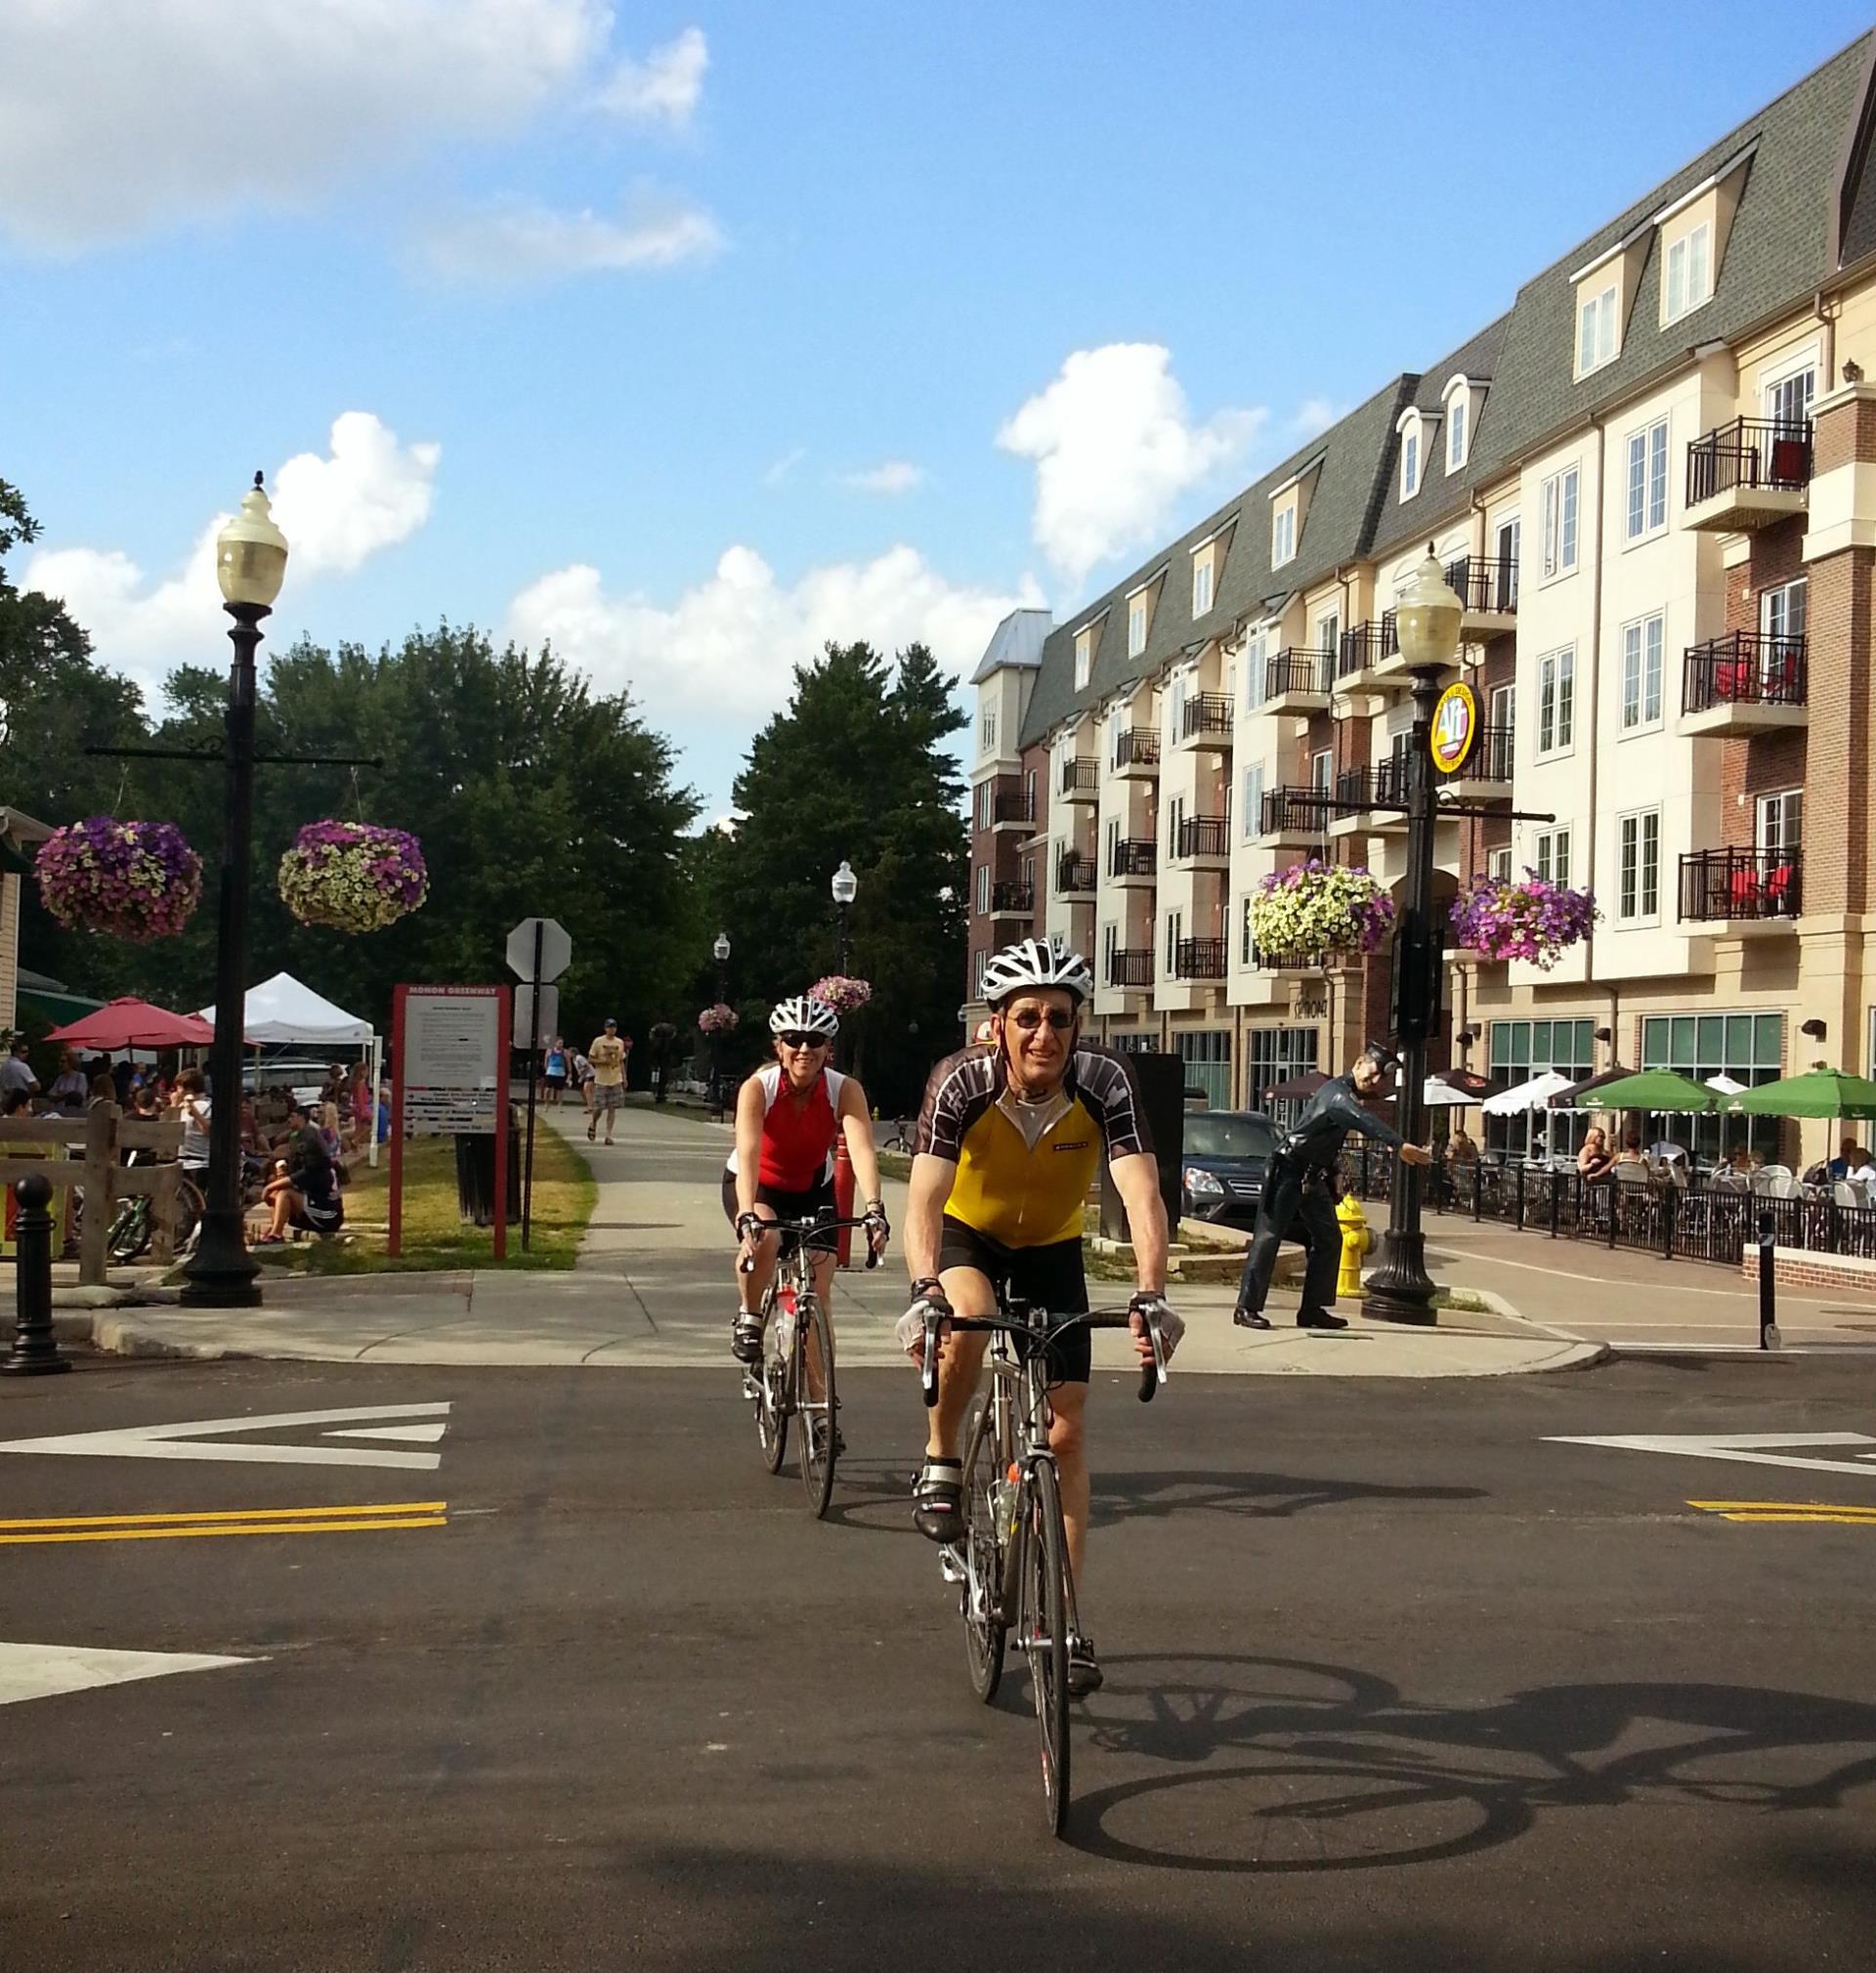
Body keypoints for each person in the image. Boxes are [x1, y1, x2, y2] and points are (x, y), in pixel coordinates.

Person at [895, 937, 1182, 1699]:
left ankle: (1066, 1619)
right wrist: (925, 1284)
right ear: (998, 1024)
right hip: (969, 1236)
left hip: (1052, 1248)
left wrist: (1151, 1291)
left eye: (1059, 1017)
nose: (1043, 1033)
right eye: (1027, 1017)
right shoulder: (959, 1082)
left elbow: (1142, 1193)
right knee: (969, 1313)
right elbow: (923, 1197)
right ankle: (942, 1457)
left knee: (1068, 1429)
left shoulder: (1106, 1080)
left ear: (1078, 1024)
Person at [724, 995, 888, 1387]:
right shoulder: (758, 1088)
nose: (804, 1049)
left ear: (827, 1048)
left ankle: (819, 1411)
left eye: (814, 1040)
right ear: (778, 1046)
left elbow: (863, 1148)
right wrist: (747, 1214)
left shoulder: (843, 1089)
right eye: (793, 1039)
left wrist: (875, 1208)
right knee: (766, 1236)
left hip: (814, 1186)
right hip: (758, 1184)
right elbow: (748, 1153)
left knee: (818, 1292)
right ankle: (749, 1315)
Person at [1234, 1042, 1431, 1333]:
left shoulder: (1345, 1096)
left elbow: (1329, 1140)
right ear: (1359, 1062)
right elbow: (1360, 1120)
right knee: (1269, 1236)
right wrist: (1398, 1143)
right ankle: (1246, 1308)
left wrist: (1335, 1171)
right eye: (1373, 1073)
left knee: (1329, 1238)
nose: (1374, 1081)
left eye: (1380, 1078)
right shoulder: (1337, 1095)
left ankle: (1313, 1309)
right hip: (1288, 1169)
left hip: (1312, 1175)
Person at [257, 1102, 344, 1244]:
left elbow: (307, 1173)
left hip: (327, 1212)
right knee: (277, 1192)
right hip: (309, 1199)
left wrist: (270, 1187)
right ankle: (274, 1228)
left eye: (292, 1116)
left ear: (302, 1118)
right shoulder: (296, 1135)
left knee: (284, 1193)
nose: (288, 1120)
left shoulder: (311, 1138)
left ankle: (276, 1234)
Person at [585, 1022, 628, 1143]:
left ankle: (608, 1135)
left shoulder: (619, 1042)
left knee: (612, 1107)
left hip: (616, 1078)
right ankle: (593, 1123)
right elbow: (590, 1058)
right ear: (605, 1028)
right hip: (601, 1079)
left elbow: (621, 1061)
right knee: (599, 1107)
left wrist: (624, 1078)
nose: (612, 1029)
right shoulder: (598, 1041)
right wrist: (603, 1061)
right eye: (609, 1027)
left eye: (614, 1027)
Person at [171, 1067, 212, 1180]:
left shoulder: (205, 1106)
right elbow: (169, 1129)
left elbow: (207, 1131)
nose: (176, 1091)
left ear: (189, 1089)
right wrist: (174, 1105)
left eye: (179, 1087)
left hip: (197, 1163)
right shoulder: (180, 1106)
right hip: (179, 1161)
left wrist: (195, 1113)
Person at [46, 1049, 88, 1116]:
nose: (60, 1064)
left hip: (74, 1112)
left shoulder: (80, 1077)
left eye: (63, 1062)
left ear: (71, 1062)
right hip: (59, 1110)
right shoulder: (60, 1078)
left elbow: (80, 1095)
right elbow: (51, 1093)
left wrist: (61, 1095)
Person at [0, 1038, 39, 1103]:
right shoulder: (22, 1066)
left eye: (27, 1052)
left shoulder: (5, 1065)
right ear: (15, 1052)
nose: (27, 1054)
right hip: (21, 1102)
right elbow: (36, 1086)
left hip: (6, 1101)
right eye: (24, 1052)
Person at [544, 1036, 570, 1107]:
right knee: (548, 1088)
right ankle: (546, 1103)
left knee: (560, 1089)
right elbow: (546, 1060)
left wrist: (569, 1072)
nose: (561, 1045)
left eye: (562, 1043)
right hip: (551, 1071)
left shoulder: (565, 1052)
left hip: (560, 1072)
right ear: (555, 1043)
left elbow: (568, 1062)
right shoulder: (549, 1050)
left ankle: (560, 1103)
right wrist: (546, 1069)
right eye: (559, 1043)